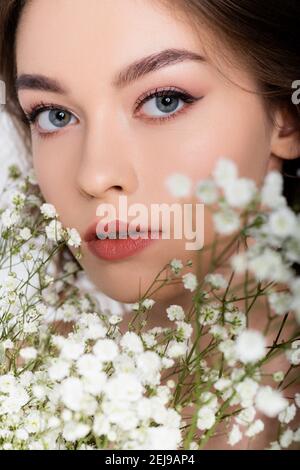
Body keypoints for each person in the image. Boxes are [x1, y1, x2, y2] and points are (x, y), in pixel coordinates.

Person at [0, 0, 299, 449]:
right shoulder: (20, 379)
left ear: (286, 117)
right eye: (54, 115)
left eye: (165, 101)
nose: (95, 176)